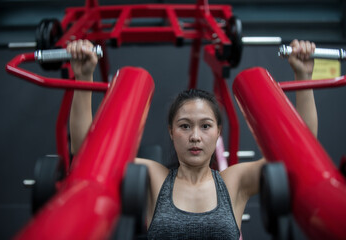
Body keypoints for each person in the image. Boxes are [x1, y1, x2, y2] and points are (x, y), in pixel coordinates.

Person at [67, 39, 317, 239]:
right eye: (184, 126)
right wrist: (83, 78)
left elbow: (298, 153)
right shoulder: (155, 179)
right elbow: (89, 155)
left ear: (218, 131)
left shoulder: (234, 182)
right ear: (171, 132)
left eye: (205, 126)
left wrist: (304, 77)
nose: (195, 136)